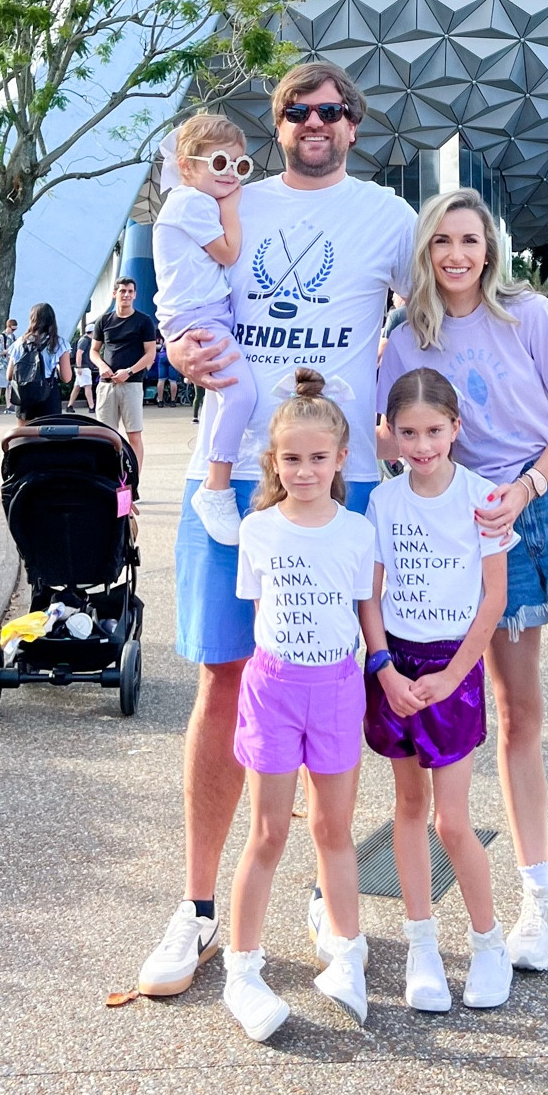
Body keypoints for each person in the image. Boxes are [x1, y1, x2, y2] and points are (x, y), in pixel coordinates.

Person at [137, 61, 415, 1002]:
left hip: (347, 483)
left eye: (334, 112)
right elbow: (181, 296)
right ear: (276, 121)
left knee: (332, 679)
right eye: (300, 110)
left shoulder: (386, 214)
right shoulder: (224, 199)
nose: (317, 123)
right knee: (224, 680)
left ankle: (329, 901)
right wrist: (175, 344)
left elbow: (444, 322)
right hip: (237, 474)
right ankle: (201, 906)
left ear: (355, 124)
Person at [378, 188, 548, 967]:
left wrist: (525, 487)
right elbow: (396, 439)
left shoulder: (526, 313)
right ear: (425, 253)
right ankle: (539, 895)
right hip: (481, 526)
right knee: (516, 713)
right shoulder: (406, 341)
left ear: (489, 248)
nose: (457, 254)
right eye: (441, 242)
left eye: (470, 239)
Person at [224, 368, 375, 1041]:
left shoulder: (358, 532)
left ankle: (348, 955)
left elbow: (365, 611)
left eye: (318, 457)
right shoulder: (258, 529)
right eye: (292, 458)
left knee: (332, 831)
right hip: (274, 690)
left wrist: (384, 671)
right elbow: (260, 611)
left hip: (338, 690)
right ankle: (241, 967)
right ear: (274, 461)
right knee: (268, 832)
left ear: (342, 459)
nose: (305, 470)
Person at [362, 367, 513, 1013]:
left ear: (456, 428)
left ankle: (488, 942)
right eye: (408, 433)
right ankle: (421, 943)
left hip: (455, 665)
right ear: (390, 436)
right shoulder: (383, 502)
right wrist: (382, 668)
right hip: (396, 664)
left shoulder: (483, 499)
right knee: (407, 808)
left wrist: (455, 675)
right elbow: (370, 594)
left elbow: (495, 597)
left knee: (453, 821)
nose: (421, 445)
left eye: (433, 430)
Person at [152, 112, 257, 545]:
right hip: (199, 315)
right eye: (219, 164)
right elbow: (229, 252)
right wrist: (231, 207)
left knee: (230, 394)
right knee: (242, 393)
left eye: (240, 165)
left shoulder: (187, 202)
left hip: (198, 313)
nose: (231, 175)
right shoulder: (192, 202)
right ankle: (216, 486)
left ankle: (216, 482)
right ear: (187, 164)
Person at [90, 278, 157, 471]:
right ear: (114, 294)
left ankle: (133, 481)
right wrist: (102, 366)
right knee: (105, 436)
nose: (126, 295)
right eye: (122, 291)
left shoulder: (144, 321)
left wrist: (129, 371)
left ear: (135, 295)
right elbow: (94, 351)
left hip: (132, 385)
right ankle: (107, 478)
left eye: (130, 291)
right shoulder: (104, 321)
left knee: (134, 435)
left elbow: (150, 354)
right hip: (107, 385)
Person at [7, 303, 73, 419]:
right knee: (49, 434)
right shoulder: (59, 343)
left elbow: (9, 375)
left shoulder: (19, 343)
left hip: (24, 392)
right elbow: (67, 378)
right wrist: (56, 367)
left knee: (24, 434)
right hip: (48, 393)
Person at [67, 326, 95, 412]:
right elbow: (79, 353)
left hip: (82, 367)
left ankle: (69, 406)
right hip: (84, 367)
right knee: (88, 386)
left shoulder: (84, 339)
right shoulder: (85, 340)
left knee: (77, 387)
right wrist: (79, 366)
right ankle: (91, 406)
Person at [0, 320, 18, 412]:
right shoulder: (1, 337)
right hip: (1, 365)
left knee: (9, 386)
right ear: (8, 326)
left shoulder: (14, 337)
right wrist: (10, 350)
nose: (14, 331)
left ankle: (9, 406)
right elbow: (0, 351)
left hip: (10, 365)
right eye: (12, 329)